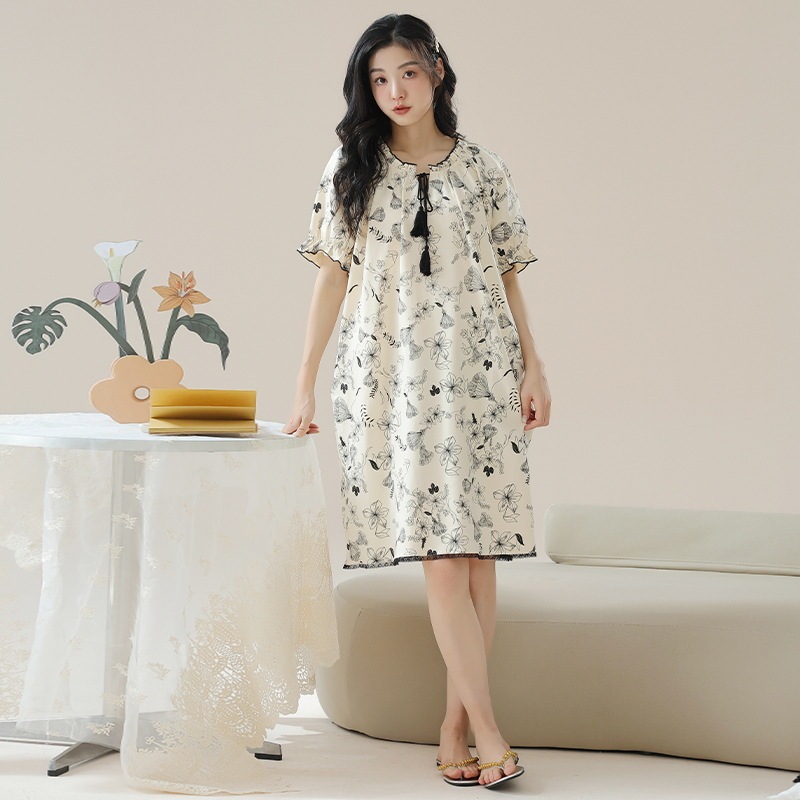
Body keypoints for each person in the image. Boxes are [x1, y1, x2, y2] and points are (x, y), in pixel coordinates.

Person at [283, 12, 551, 790]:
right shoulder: (352, 166)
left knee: (478, 559)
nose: (394, 91)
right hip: (391, 378)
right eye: (378, 79)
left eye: (406, 72)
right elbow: (330, 275)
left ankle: (453, 726)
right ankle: (490, 731)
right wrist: (304, 378)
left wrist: (535, 367)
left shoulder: (484, 167)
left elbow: (509, 275)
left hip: (482, 371)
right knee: (442, 559)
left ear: (436, 69)